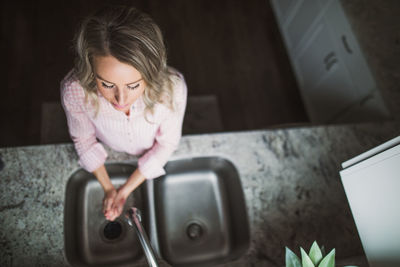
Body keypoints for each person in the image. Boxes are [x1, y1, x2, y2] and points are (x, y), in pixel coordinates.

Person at [60, 6, 187, 222]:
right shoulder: (75, 90)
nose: (120, 99)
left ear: (152, 71)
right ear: (91, 71)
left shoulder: (172, 89)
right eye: (107, 84)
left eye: (134, 85)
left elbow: (167, 144)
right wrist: (109, 188)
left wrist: (124, 190)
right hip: (110, 147)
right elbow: (83, 139)